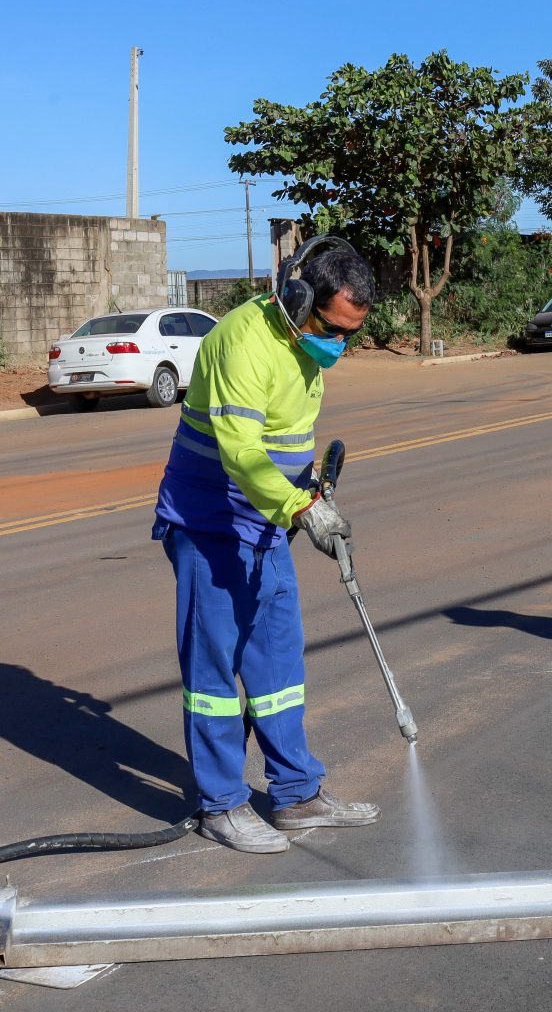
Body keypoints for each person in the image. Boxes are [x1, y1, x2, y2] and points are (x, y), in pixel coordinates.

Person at [152, 236, 380, 854]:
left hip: (267, 525)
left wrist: (311, 494)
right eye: (331, 328)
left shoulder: (304, 347)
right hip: (211, 524)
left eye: (349, 335)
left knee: (277, 664)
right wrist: (301, 507)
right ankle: (220, 803)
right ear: (297, 296)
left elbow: (287, 442)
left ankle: (296, 793)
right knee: (214, 673)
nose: (337, 344)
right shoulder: (242, 340)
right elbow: (242, 452)